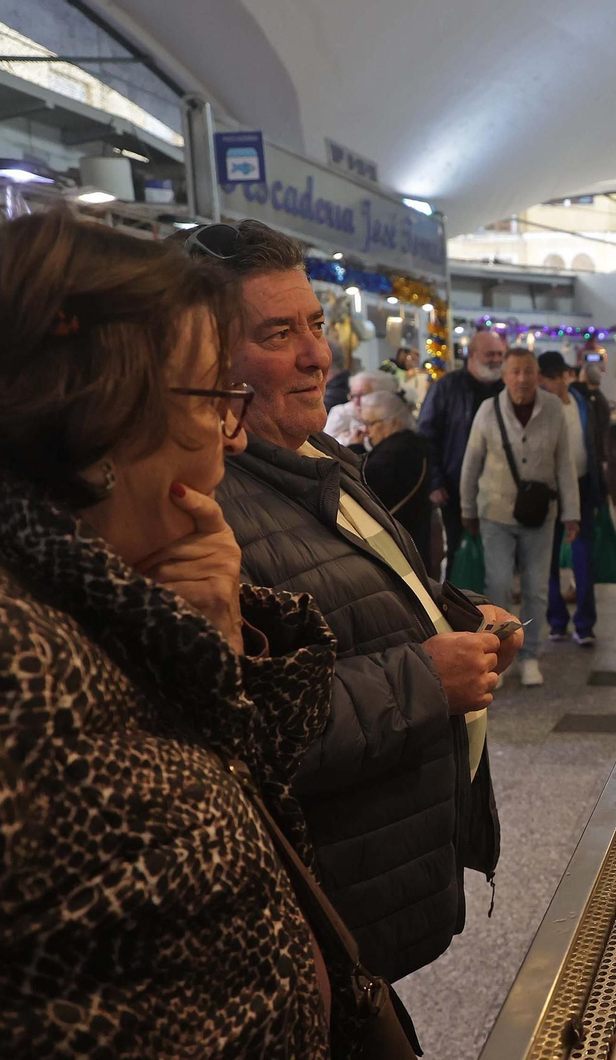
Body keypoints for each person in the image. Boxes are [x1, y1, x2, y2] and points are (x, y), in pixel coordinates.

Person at [0, 209, 348, 1054]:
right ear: (98, 417)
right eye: (214, 400)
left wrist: (213, 642)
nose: (225, 443)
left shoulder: (88, 597)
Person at [183, 219, 523, 983]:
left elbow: (365, 597)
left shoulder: (320, 456)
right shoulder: (204, 508)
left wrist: (461, 617)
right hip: (324, 921)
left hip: (387, 875)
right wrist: (425, 680)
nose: (316, 354)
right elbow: (240, 731)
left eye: (314, 324)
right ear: (204, 358)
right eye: (278, 333)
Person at [459, 348, 580, 687]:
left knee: (536, 588)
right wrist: (466, 508)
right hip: (495, 511)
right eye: (515, 372)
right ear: (505, 375)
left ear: (537, 374)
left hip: (541, 515)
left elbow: (565, 464)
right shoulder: (488, 409)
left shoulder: (553, 408)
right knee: (497, 584)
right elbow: (471, 463)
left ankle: (530, 656)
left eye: (528, 371)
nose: (522, 379)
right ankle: (499, 655)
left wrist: (572, 513)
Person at [419, 328, 506, 569]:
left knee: (498, 558)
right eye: (491, 354)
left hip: (500, 491)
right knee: (460, 553)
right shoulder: (446, 387)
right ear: (472, 355)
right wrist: (434, 482)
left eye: (500, 354)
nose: (497, 360)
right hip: (455, 487)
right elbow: (426, 437)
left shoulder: (507, 390)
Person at [539, 351, 604, 645]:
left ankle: (585, 623)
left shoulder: (580, 401)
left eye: (561, 376)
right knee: (548, 560)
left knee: (584, 558)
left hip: (583, 486)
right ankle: (557, 620)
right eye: (551, 378)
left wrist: (600, 485)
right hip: (550, 491)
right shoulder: (539, 407)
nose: (558, 383)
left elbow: (593, 443)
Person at [361, 388, 435, 574]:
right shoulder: (411, 444)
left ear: (392, 422)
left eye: (371, 424)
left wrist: (353, 450)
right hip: (412, 538)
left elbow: (366, 483)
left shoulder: (393, 454)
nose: (366, 432)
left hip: (398, 546)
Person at [324, 368, 400, 449]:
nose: (356, 403)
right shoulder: (340, 414)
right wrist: (349, 441)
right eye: (353, 396)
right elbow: (327, 448)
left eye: (363, 396)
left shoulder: (393, 419)